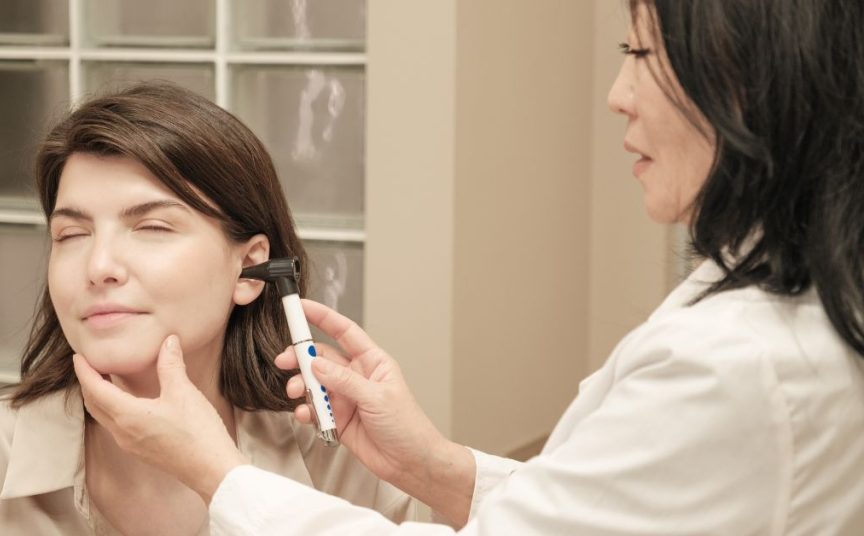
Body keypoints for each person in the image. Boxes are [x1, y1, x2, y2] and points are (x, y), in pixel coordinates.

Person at [72, 0, 864, 533]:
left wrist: (217, 474)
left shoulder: (739, 366)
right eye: (69, 232)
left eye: (640, 53)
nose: (618, 94)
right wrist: (435, 467)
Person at [0, 83, 421, 535]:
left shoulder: (336, 457)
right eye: (72, 233)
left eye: (152, 227)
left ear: (250, 270)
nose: (99, 264)